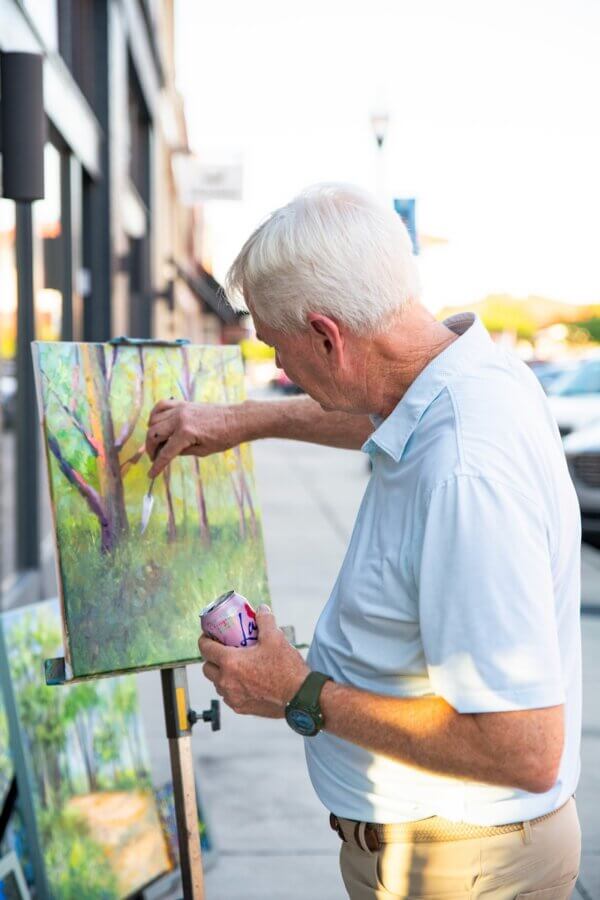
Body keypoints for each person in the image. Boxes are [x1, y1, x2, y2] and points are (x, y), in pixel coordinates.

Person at [145, 184, 581, 899]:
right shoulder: (473, 377)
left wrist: (296, 688)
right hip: (448, 853)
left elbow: (523, 748)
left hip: (460, 869)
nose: (284, 369)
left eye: (279, 348)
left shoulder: (464, 473)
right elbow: (381, 417)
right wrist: (240, 421)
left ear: (327, 336)